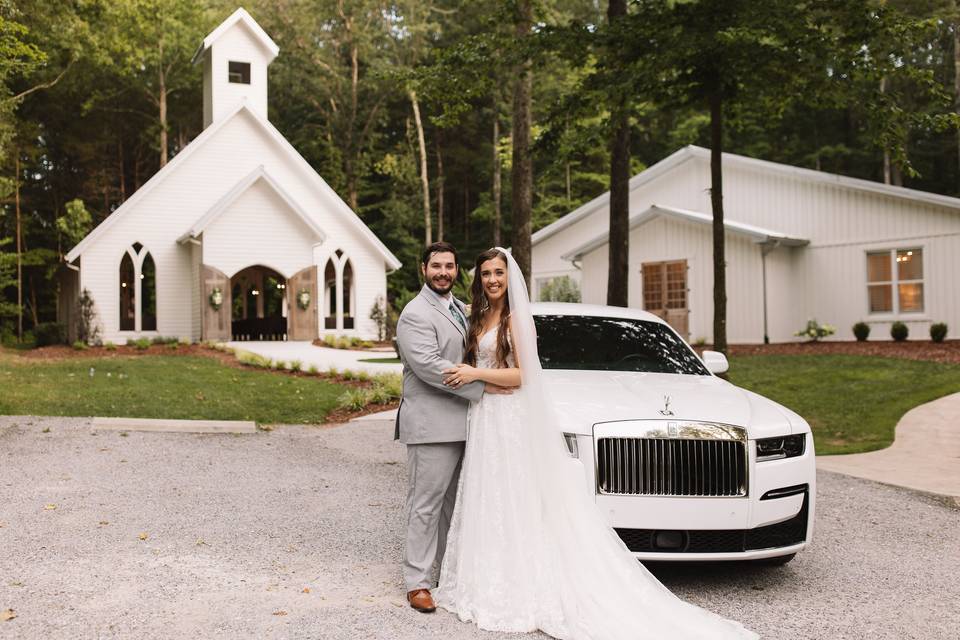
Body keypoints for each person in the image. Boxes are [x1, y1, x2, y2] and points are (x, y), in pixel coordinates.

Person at [434, 247, 758, 640]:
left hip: (509, 418)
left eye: (499, 272)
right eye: (486, 273)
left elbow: (524, 375)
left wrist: (473, 373)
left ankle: (521, 583)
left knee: (517, 498)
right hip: (488, 417)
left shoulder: (519, 319)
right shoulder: (479, 315)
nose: (492, 280)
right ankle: (488, 578)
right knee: (492, 496)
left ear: (509, 276)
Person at [393, 241, 511, 614]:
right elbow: (429, 366)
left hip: (468, 423)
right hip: (433, 425)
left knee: (455, 506)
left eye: (449, 266)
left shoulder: (461, 308)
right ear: (423, 269)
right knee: (425, 505)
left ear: (457, 270)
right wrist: (485, 387)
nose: (443, 272)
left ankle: (447, 573)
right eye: (436, 266)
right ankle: (418, 583)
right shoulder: (415, 314)